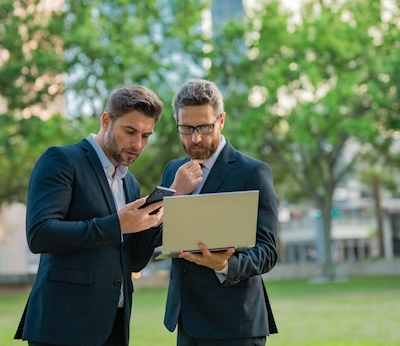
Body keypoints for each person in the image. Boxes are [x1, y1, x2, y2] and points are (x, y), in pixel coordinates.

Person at [14, 85, 165, 346]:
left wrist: (153, 221)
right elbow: (40, 234)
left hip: (114, 326)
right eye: (130, 132)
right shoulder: (62, 160)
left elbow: (134, 262)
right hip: (63, 326)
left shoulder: (131, 184)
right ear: (106, 121)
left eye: (146, 135)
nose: (137, 144)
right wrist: (117, 224)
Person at [160, 79, 279, 346]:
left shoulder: (254, 172)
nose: (195, 138)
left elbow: (268, 251)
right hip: (186, 319)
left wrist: (225, 265)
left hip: (236, 323)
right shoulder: (172, 171)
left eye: (205, 127)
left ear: (221, 120)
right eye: (186, 128)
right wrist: (174, 193)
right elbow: (155, 230)